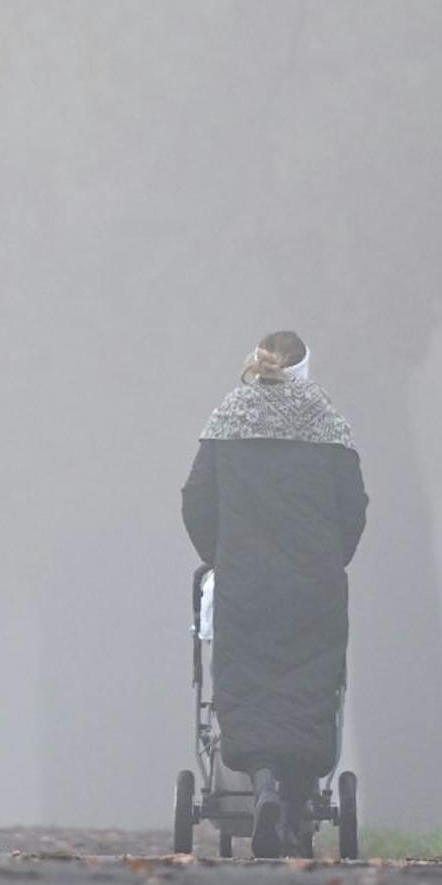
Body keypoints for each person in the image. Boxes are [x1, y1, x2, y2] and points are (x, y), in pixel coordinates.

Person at [181, 330, 368, 857]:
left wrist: (221, 556)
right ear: (307, 366)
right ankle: (291, 803)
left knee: (247, 679)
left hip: (246, 582)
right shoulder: (327, 421)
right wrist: (334, 558)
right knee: (312, 684)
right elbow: (353, 504)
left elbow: (196, 498)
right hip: (314, 585)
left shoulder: (228, 418)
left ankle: (262, 780)